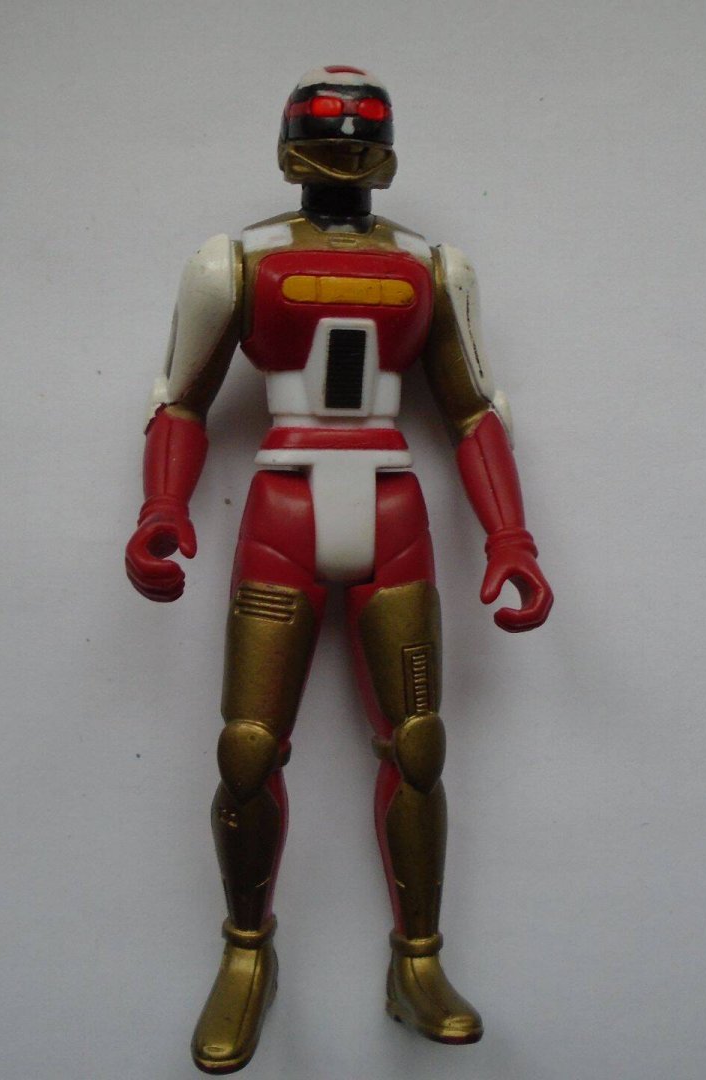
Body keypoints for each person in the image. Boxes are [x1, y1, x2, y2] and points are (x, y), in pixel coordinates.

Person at [125, 65, 553, 1074]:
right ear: (290, 154)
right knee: (247, 751)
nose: (345, 159)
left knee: (418, 748)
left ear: (386, 158)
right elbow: (181, 399)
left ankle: (418, 961)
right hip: (283, 504)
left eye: (360, 142)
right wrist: (161, 507)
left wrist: (512, 538)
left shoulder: (430, 267)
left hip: (392, 507)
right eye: (329, 141)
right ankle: (245, 955)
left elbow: (473, 413)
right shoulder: (239, 262)